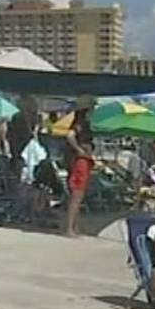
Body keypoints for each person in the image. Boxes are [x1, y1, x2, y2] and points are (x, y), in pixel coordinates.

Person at [63, 99, 96, 238]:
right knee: (77, 195)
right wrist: (79, 150)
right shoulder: (81, 124)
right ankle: (70, 228)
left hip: (83, 160)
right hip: (81, 161)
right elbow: (70, 135)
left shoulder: (83, 123)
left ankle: (74, 227)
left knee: (78, 196)